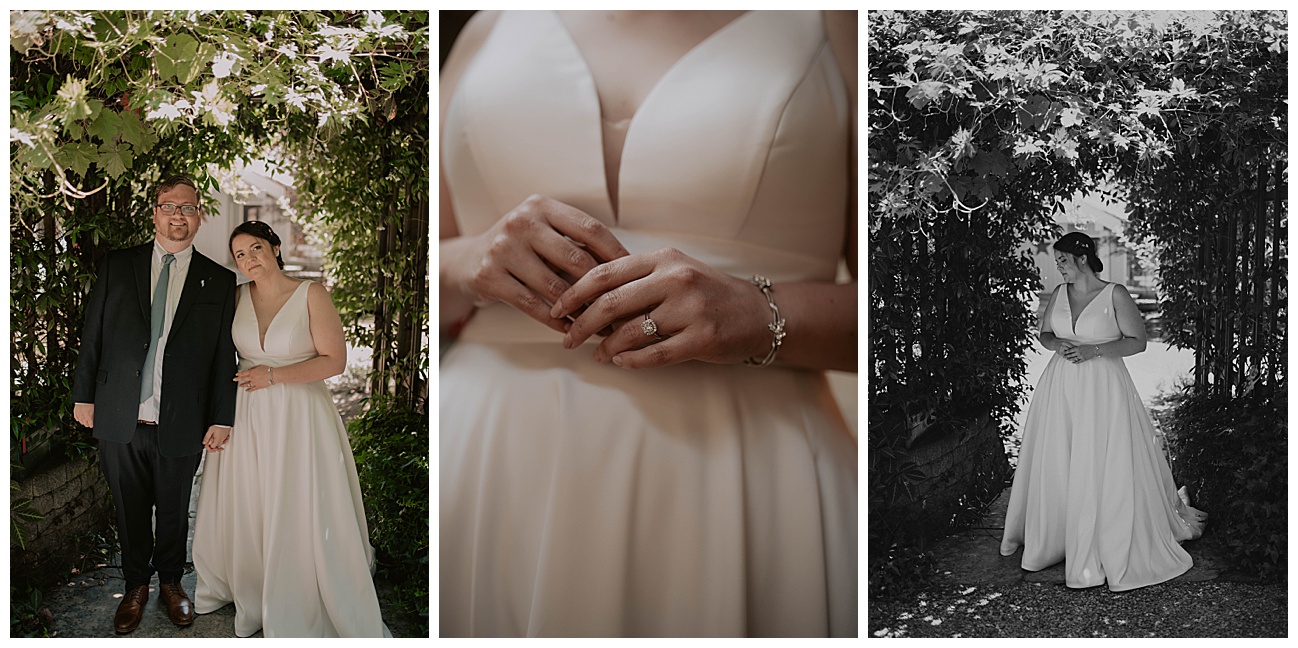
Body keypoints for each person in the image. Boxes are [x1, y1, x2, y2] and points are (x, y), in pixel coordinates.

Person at [439, 10, 857, 637]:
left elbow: (908, 313)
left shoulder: (839, 23)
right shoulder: (486, 21)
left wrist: (761, 311)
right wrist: (466, 259)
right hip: (491, 452)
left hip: (747, 466)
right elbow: (425, 279)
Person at [191, 221, 390, 637]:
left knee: (299, 498)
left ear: (275, 247)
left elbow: (334, 361)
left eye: (256, 248)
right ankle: (255, 583)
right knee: (251, 501)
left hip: (300, 414)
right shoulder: (235, 297)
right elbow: (216, 359)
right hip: (247, 416)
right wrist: (218, 416)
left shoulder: (310, 294)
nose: (249, 260)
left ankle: (301, 588)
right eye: (240, 254)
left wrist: (274, 376)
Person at [71, 174, 238, 634]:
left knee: (173, 505)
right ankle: (135, 586)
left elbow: (226, 356)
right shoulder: (118, 265)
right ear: (155, 212)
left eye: (187, 207)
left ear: (199, 216)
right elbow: (93, 336)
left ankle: (171, 584)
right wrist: (84, 395)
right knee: (128, 507)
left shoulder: (220, 281)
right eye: (170, 206)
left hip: (182, 416)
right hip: (118, 410)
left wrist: (223, 418)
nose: (178, 215)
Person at [1000, 232, 1208, 591]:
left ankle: (1104, 534)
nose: (1059, 267)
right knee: (1061, 457)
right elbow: (1045, 334)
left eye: (1063, 260)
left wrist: (1095, 351)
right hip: (1061, 385)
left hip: (1104, 387)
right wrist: (1059, 343)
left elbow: (1138, 342)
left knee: (1102, 457)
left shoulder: (1115, 294)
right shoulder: (1059, 294)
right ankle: (1060, 533)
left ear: (1081, 258)